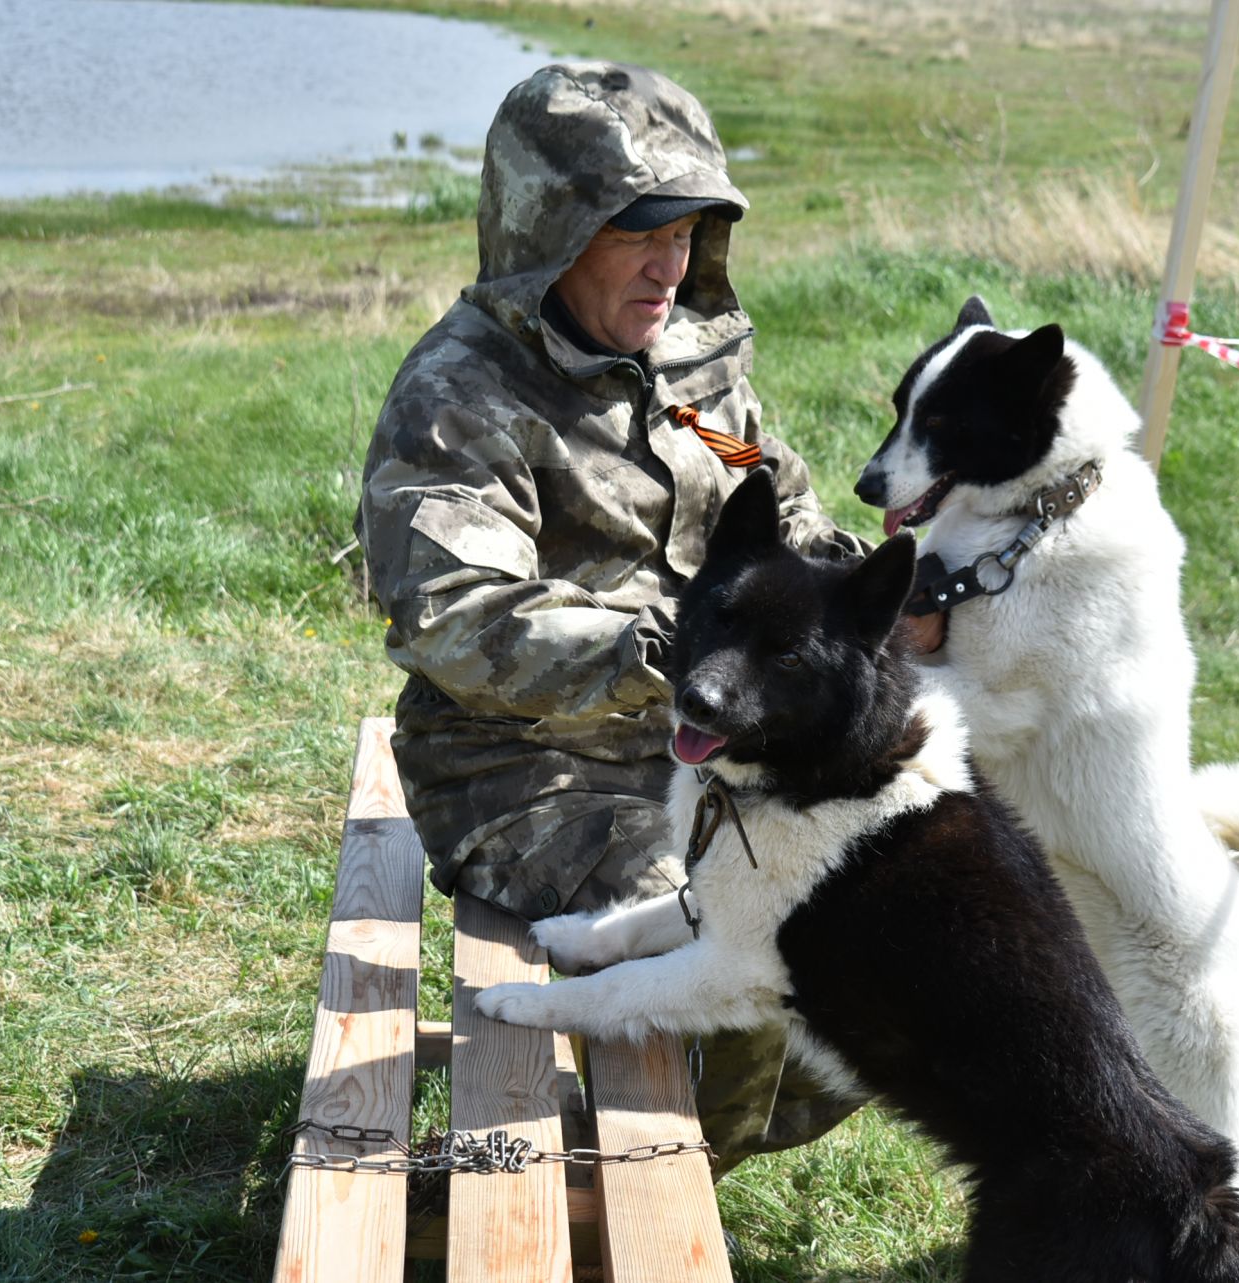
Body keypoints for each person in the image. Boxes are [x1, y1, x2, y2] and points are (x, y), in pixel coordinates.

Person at [355, 60, 867, 1173]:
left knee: (892, 920)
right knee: (720, 948)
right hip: (524, 765)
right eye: (635, 228)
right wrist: (672, 650)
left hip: (713, 739)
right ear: (549, 226)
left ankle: (673, 1156)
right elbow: (458, 617)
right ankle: (643, 1185)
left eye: (689, 228)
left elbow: (779, 507)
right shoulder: (460, 395)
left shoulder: (692, 358)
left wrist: (863, 587)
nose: (669, 260)